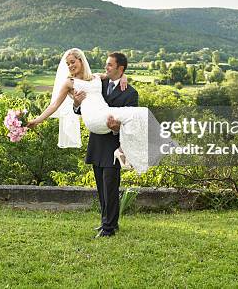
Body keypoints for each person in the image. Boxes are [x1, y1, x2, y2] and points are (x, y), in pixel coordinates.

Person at [27, 48, 152, 238]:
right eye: (68, 63)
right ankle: (106, 223)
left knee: (111, 186)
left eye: (73, 61)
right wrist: (38, 119)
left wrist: (124, 79)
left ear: (81, 60)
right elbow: (54, 105)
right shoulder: (71, 83)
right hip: (96, 135)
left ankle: (109, 227)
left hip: (111, 138)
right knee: (102, 188)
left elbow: (112, 76)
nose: (71, 65)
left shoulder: (98, 79)